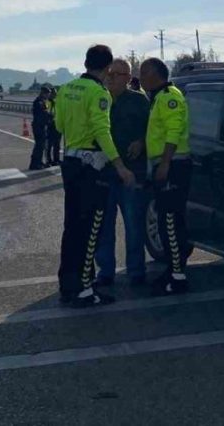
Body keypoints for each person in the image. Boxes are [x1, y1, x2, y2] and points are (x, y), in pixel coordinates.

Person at [54, 45, 136, 307]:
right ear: (108, 67)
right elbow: (102, 131)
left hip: (70, 162)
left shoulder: (66, 89)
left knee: (72, 227)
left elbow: (58, 125)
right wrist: (120, 166)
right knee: (91, 229)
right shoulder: (99, 93)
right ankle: (86, 289)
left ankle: (68, 285)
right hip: (92, 167)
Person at [139, 57, 192, 296]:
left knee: (170, 221)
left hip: (173, 165)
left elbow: (174, 130)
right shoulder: (158, 98)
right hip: (165, 164)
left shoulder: (170, 96)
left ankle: (178, 276)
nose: (140, 79)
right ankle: (172, 270)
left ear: (154, 74)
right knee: (165, 220)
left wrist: (165, 163)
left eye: (143, 73)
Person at [96, 59, 151, 286]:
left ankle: (136, 271)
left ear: (128, 79)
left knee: (134, 224)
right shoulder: (99, 99)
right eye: (109, 73)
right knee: (104, 226)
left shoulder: (139, 101)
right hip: (104, 174)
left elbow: (154, 129)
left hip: (132, 173)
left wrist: (141, 142)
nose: (110, 77)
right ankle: (105, 272)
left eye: (116, 74)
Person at [29, 85, 51, 170]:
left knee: (41, 146)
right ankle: (35, 164)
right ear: (43, 93)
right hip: (38, 126)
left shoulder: (43, 101)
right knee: (39, 145)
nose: (48, 95)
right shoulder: (39, 102)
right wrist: (50, 116)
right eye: (47, 94)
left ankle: (39, 162)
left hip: (42, 125)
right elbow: (43, 114)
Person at [45, 86, 61, 166]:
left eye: (55, 93)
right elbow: (47, 113)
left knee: (57, 144)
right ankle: (48, 160)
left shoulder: (57, 102)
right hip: (50, 125)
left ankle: (56, 159)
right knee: (49, 144)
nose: (55, 95)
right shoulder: (47, 102)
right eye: (53, 93)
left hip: (57, 125)